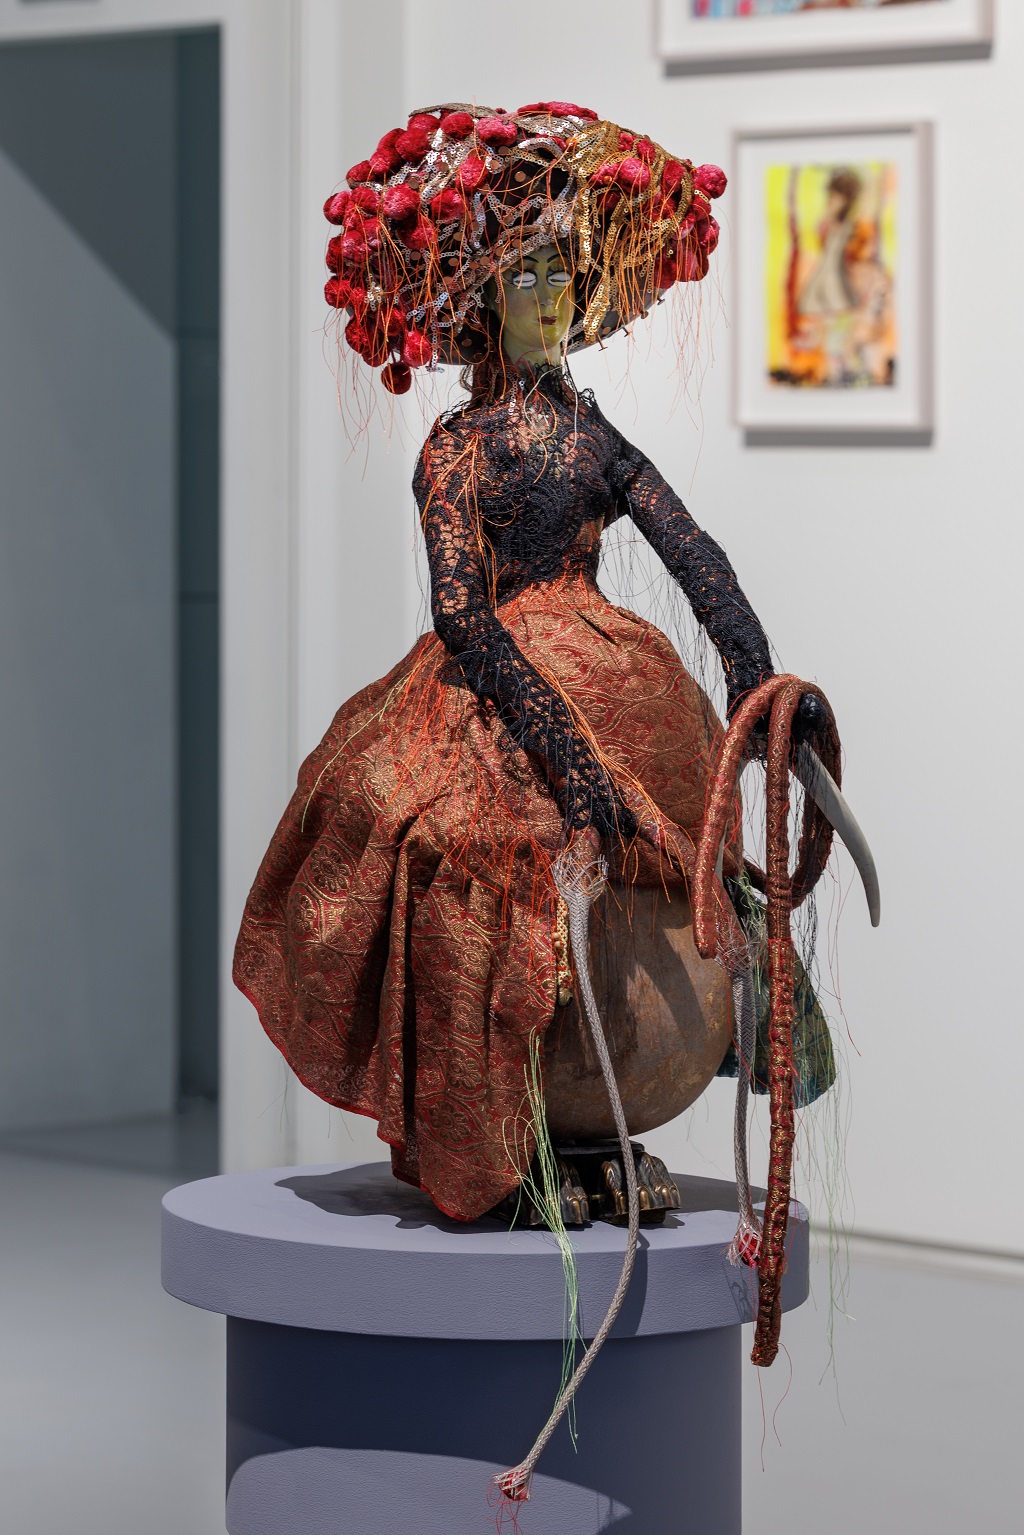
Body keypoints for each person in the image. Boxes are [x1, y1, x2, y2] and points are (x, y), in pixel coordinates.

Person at [233, 101, 823, 1223]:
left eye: (562, 276)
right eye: (527, 277)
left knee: (687, 841)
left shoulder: (595, 440)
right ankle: (498, 1130)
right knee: (415, 827)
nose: (548, 297)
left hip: (613, 663)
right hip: (491, 674)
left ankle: (652, 1079)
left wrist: (755, 678)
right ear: (485, 298)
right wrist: (561, 744)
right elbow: (461, 611)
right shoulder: (456, 447)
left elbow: (692, 550)